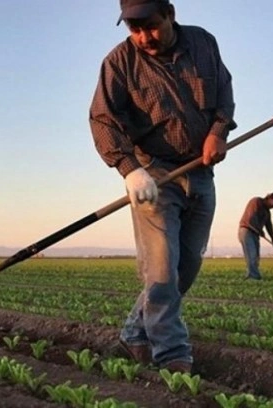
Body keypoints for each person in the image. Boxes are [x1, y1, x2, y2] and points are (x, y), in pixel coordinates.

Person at [89, 0, 236, 374]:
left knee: (186, 266)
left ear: (170, 13)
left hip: (200, 170)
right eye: (134, 30)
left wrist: (219, 131)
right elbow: (102, 119)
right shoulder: (119, 63)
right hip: (153, 174)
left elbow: (224, 91)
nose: (143, 37)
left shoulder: (203, 43)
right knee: (161, 269)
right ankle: (171, 354)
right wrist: (129, 169)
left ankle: (134, 333)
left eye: (151, 26)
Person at [238, 192, 273, 280]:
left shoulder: (267, 212)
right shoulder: (256, 201)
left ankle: (251, 275)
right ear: (269, 199)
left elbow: (269, 226)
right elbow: (252, 218)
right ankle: (254, 276)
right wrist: (260, 230)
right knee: (251, 255)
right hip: (246, 231)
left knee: (256, 256)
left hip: (255, 233)